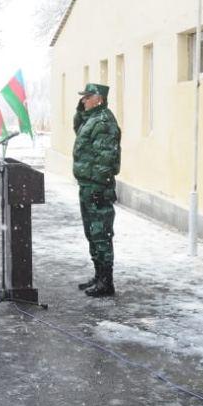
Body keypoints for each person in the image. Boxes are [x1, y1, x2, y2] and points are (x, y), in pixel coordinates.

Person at [73, 83, 121, 297]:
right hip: (87, 184)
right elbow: (78, 128)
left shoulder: (103, 122)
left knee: (100, 234)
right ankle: (99, 275)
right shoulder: (92, 119)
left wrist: (100, 187)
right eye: (83, 97)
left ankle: (106, 282)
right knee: (91, 233)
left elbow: (106, 158)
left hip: (97, 186)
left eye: (87, 97)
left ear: (99, 98)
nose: (83, 100)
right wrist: (80, 110)